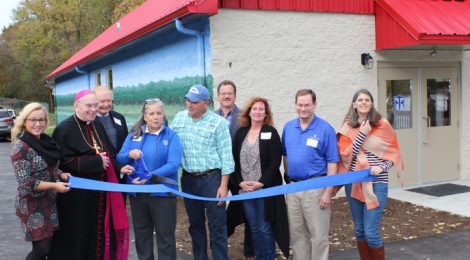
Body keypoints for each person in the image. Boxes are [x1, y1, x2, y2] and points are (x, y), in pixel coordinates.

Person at [49, 90, 132, 260]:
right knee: (78, 233)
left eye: (95, 105)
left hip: (99, 195)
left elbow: (108, 154)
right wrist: (95, 162)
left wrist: (119, 168)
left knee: (97, 234)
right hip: (76, 196)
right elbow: (61, 164)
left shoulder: (97, 125)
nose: (94, 109)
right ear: (76, 106)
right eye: (89, 105)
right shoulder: (64, 129)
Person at [337, 89, 404, 260]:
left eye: (367, 99)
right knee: (359, 229)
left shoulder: (382, 124)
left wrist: (382, 167)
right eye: (360, 100)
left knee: (371, 232)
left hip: (377, 184)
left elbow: (393, 154)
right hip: (353, 183)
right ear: (354, 104)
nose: (364, 102)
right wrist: (362, 133)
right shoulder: (347, 126)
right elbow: (346, 155)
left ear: (372, 103)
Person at [171, 84, 234, 260]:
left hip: (212, 180)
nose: (189, 104)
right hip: (189, 179)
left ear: (206, 103)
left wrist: (224, 186)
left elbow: (227, 156)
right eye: (188, 100)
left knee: (217, 225)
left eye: (194, 102)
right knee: (195, 224)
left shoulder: (218, 123)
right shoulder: (179, 119)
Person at [117, 98, 182, 260]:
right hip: (138, 194)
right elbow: (120, 158)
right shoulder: (134, 134)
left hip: (163, 194)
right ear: (145, 116)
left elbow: (174, 164)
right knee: (142, 236)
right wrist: (129, 154)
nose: (155, 117)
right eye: (151, 114)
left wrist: (149, 176)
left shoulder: (171, 135)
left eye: (159, 113)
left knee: (165, 237)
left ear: (163, 115)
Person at [227, 97, 289, 259]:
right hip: (245, 189)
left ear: (266, 113)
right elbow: (233, 160)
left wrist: (260, 183)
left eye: (261, 109)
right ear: (249, 112)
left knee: (264, 227)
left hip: (263, 190)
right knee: (253, 227)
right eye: (254, 109)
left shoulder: (271, 132)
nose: (258, 112)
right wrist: (239, 181)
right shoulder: (241, 132)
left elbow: (275, 162)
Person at [282, 89, 339, 260]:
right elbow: (285, 155)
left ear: (314, 104)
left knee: (318, 235)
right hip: (293, 188)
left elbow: (332, 163)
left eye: (307, 104)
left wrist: (328, 192)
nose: (303, 108)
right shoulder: (288, 127)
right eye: (300, 105)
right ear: (295, 105)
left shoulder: (325, 129)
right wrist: (288, 177)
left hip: (316, 188)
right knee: (297, 234)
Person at [10, 103, 71, 260]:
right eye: (33, 120)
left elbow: (48, 168)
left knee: (48, 248)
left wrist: (61, 173)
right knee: (41, 249)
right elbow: (26, 182)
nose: (38, 124)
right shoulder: (21, 147)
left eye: (42, 120)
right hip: (32, 204)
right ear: (25, 121)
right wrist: (54, 185)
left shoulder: (45, 141)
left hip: (48, 202)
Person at [214, 80, 254, 260]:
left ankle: (249, 252)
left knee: (248, 212)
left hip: (239, 172)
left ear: (235, 96)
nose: (226, 96)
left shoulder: (244, 117)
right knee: (218, 211)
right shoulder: (212, 117)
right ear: (218, 96)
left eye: (229, 93)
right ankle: (219, 250)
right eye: (223, 93)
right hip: (218, 173)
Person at [94, 85, 128, 155]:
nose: (106, 104)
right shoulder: (89, 121)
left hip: (120, 161)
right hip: (102, 162)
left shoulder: (119, 117)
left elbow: (126, 140)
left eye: (109, 101)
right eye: (102, 101)